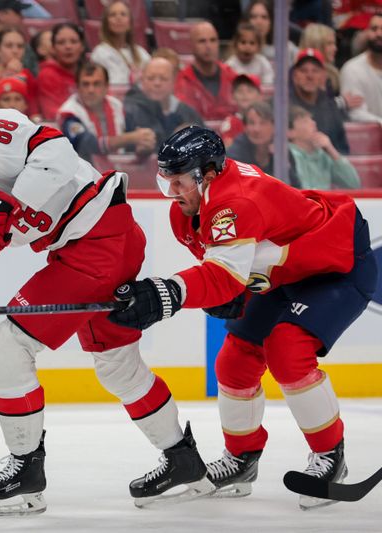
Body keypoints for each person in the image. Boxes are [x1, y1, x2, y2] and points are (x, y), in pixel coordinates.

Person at [0, 76, 215, 515]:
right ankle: (184, 461)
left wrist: (3, 204)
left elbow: (54, 150)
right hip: (93, 243)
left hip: (98, 240)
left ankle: (25, 474)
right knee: (118, 367)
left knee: (8, 350)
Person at [107, 125, 377, 509]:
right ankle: (241, 459)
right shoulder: (190, 209)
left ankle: (331, 457)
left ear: (211, 173)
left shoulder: (234, 202)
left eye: (180, 181)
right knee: (234, 361)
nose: (173, 193)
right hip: (284, 273)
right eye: (167, 181)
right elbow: (225, 272)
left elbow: (220, 273)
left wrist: (167, 294)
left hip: (335, 266)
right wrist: (224, 288)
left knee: (288, 349)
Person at [59, 61, 155, 162]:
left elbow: (131, 137)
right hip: (83, 173)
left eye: (96, 84)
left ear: (106, 86)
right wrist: (130, 139)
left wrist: (142, 146)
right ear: (78, 87)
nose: (91, 90)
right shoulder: (69, 112)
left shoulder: (117, 106)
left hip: (119, 170)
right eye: (85, 84)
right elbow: (87, 145)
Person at [123, 57, 202, 152]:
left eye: (163, 78)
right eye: (150, 78)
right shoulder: (130, 110)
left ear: (174, 82)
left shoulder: (187, 112)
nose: (157, 83)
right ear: (142, 81)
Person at [289, 48, 350, 154]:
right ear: (295, 76)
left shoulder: (331, 108)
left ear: (323, 77)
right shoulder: (282, 106)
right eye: (303, 70)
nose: (309, 76)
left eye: (315, 71)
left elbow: (343, 150)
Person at [174, 21, 238, 121]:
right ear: (191, 45)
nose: (208, 46)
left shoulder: (231, 76)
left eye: (213, 40)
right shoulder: (183, 81)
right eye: (202, 41)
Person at [288, 105, 360, 190]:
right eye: (305, 121)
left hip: (323, 202)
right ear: (290, 132)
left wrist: (332, 151)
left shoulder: (324, 154)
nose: (313, 123)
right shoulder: (286, 156)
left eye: (312, 120)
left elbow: (353, 185)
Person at [90, 0, 150, 86]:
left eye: (123, 14)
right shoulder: (100, 53)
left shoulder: (141, 52)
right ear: (106, 23)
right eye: (113, 15)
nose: (118, 18)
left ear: (130, 23)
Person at [36, 22, 86, 120]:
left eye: (74, 41)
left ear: (82, 46)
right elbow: (53, 114)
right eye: (61, 42)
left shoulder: (90, 73)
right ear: (53, 48)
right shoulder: (47, 75)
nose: (68, 47)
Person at [339, 14, 382, 125]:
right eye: (374, 29)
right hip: (367, 138)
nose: (379, 34)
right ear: (366, 32)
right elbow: (356, 113)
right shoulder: (352, 69)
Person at [226, 101, 276, 177]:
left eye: (263, 123)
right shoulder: (234, 156)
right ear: (245, 127)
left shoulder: (281, 151)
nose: (257, 129)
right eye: (252, 123)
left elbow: (294, 185)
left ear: (273, 127)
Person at [243, 0, 298, 65]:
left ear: (272, 21)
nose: (259, 22)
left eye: (264, 17)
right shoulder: (240, 49)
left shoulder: (288, 49)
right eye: (254, 17)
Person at [219, 74, 264, 148]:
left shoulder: (267, 120)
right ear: (233, 97)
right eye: (239, 91)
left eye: (250, 91)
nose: (244, 94)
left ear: (260, 96)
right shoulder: (230, 122)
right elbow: (228, 149)